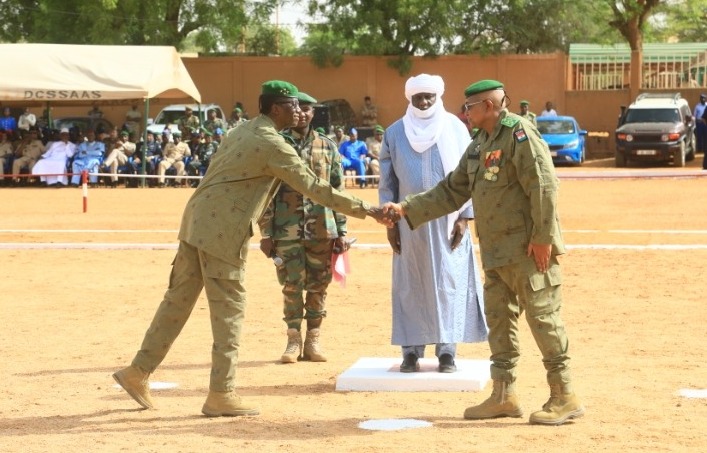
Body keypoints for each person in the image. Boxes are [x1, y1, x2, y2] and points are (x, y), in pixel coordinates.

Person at [112, 80, 386, 417]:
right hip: (224, 231)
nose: (299, 111)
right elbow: (316, 187)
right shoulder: (274, 144)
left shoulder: (242, 130)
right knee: (229, 310)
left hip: (196, 222)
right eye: (292, 105)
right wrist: (368, 210)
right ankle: (220, 394)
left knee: (177, 302)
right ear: (275, 109)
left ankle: (137, 371)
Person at [381, 79, 584, 426]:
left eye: (470, 107)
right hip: (496, 254)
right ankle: (504, 396)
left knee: (543, 320)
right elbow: (451, 191)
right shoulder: (479, 144)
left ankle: (564, 395)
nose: (465, 114)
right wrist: (405, 209)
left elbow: (544, 185)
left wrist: (543, 239)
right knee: (501, 324)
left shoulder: (519, 134)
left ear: (488, 106)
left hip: (527, 251)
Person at [378, 74, 487, 374]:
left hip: (448, 222)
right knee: (410, 285)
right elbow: (387, 183)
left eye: (429, 96)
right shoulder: (395, 133)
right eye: (418, 97)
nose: (423, 102)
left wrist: (465, 216)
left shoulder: (455, 128)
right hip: (407, 222)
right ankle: (411, 351)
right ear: (409, 98)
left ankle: (447, 351)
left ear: (438, 96)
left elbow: (468, 176)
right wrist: (390, 223)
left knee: (447, 283)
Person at [258, 91, 348, 364]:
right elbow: (266, 193)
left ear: (313, 113)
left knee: (319, 286)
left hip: (322, 228)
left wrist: (342, 231)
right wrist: (266, 232)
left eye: (309, 109)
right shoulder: (277, 145)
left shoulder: (327, 146)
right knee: (291, 286)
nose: (303, 113)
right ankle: (293, 341)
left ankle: (313, 341)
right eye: (299, 108)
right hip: (286, 230)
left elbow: (337, 190)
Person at [693, 94, 706, 160]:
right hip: (699, 123)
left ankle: (704, 149)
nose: (703, 99)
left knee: (705, 137)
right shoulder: (697, 106)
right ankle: (699, 149)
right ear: (700, 99)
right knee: (699, 136)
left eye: (704, 98)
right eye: (702, 98)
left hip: (705, 123)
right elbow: (694, 116)